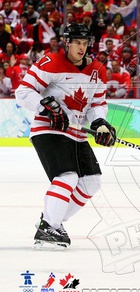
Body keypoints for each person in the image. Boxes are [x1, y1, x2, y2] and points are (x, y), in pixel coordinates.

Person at [15, 23, 116, 249]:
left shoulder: (97, 70)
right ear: (67, 43)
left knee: (92, 182)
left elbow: (97, 103)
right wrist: (46, 106)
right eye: (77, 42)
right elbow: (23, 92)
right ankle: (50, 226)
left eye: (84, 43)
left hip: (77, 132)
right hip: (49, 129)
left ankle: (52, 222)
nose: (81, 47)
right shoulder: (50, 62)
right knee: (68, 176)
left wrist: (99, 121)